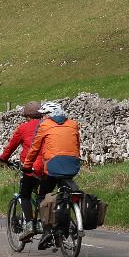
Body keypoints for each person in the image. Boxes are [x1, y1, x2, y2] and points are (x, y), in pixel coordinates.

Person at [25, 100, 83, 249]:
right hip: (72, 165)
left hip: (52, 167)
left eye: (44, 115)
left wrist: (27, 166)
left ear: (49, 115)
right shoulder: (73, 124)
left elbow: (35, 148)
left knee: (42, 195)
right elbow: (77, 145)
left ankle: (47, 231)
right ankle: (67, 221)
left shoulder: (44, 125)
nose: (42, 118)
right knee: (65, 192)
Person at [0, 101, 45, 245]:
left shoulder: (23, 128)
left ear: (27, 116)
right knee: (44, 195)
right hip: (49, 167)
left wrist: (3, 159)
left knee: (25, 195)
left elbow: (11, 146)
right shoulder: (47, 126)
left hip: (32, 168)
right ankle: (46, 222)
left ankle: (29, 225)